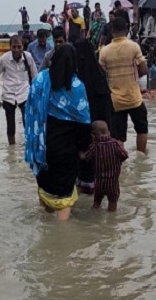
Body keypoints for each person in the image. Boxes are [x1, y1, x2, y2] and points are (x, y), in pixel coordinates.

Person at [24, 45, 91, 221]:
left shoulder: (40, 80)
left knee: (45, 186)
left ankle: (46, 224)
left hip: (42, 146)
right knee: (64, 197)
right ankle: (61, 241)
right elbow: (83, 124)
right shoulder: (76, 87)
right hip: (67, 150)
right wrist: (83, 149)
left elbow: (30, 110)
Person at [98, 17, 149, 153]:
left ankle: (120, 166)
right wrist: (135, 75)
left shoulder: (104, 52)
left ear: (112, 31)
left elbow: (101, 76)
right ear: (126, 30)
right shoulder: (134, 47)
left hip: (115, 101)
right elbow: (144, 69)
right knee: (142, 129)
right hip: (134, 98)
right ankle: (141, 161)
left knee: (118, 136)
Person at [73, 39, 114, 194]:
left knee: (83, 167)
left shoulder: (76, 78)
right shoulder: (100, 75)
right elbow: (107, 110)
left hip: (83, 133)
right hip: (100, 134)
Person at [0, 35, 38, 145]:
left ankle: (28, 148)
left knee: (28, 124)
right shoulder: (3, 59)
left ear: (23, 46)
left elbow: (35, 77)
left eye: (19, 47)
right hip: (8, 95)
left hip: (25, 93)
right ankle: (11, 152)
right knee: (10, 127)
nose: (16, 50)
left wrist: (36, 96)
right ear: (10, 47)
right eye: (14, 47)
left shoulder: (28, 57)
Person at [82, 121, 128, 211]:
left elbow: (87, 158)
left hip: (99, 182)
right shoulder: (115, 144)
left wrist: (80, 154)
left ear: (93, 136)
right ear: (109, 132)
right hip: (112, 183)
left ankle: (94, 218)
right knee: (113, 202)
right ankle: (111, 222)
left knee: (96, 202)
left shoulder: (94, 146)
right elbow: (125, 155)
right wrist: (119, 161)